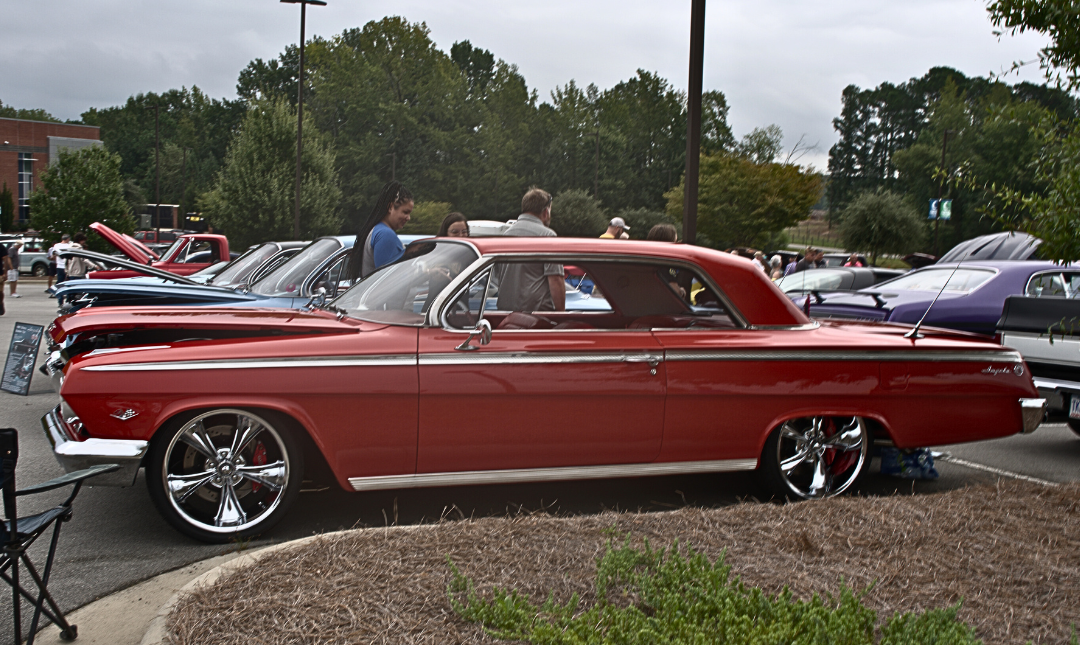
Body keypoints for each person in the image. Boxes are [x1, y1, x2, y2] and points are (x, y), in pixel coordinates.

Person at [496, 187, 564, 312]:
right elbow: (555, 279)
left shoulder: (505, 236)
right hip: (536, 314)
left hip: (506, 313)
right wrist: (561, 314)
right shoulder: (547, 236)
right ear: (546, 212)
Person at [347, 181, 414, 281]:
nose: (408, 218)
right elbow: (391, 281)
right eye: (405, 212)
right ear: (390, 207)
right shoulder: (385, 235)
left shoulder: (376, 231)